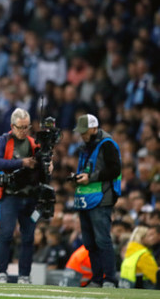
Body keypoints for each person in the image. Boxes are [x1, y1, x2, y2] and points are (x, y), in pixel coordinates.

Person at [0, 108, 40, 284]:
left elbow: (42, 166)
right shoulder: (2, 141)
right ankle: (1, 272)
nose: (24, 131)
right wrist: (21, 162)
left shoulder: (34, 144)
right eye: (21, 127)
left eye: (27, 127)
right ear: (12, 126)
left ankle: (24, 275)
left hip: (30, 195)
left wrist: (47, 165)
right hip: (10, 195)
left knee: (28, 237)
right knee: (6, 234)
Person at [72, 114, 121, 288]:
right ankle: (97, 278)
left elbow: (115, 169)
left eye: (85, 132)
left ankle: (110, 279)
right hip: (86, 199)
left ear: (94, 129)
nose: (82, 135)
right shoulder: (85, 146)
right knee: (90, 242)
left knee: (102, 240)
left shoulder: (107, 144)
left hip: (102, 198)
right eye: (81, 132)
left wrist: (91, 178)